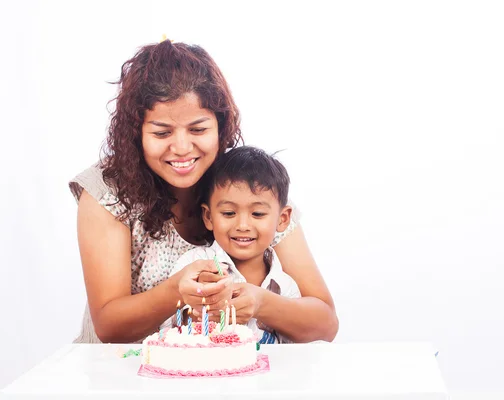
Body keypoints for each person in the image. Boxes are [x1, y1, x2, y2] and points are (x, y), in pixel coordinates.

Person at [69, 39, 338, 344]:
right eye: (162, 132)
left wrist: (263, 303)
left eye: (198, 129)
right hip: (116, 379)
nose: (182, 148)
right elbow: (108, 326)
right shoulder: (108, 191)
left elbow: (325, 323)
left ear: (221, 127)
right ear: (135, 134)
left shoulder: (247, 187)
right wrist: (176, 292)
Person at [161, 146, 303, 344]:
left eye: (258, 214)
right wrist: (194, 315)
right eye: (229, 213)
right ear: (208, 217)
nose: (243, 226)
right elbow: (168, 331)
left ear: (283, 219)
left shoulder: (284, 286)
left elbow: (295, 346)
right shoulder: (193, 266)